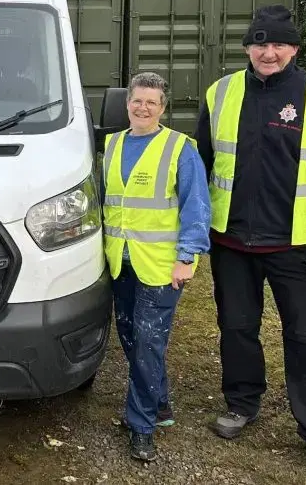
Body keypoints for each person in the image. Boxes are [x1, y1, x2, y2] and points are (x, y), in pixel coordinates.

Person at [195, 5, 306, 481]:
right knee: (236, 328)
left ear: (294, 48)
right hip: (232, 243)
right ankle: (242, 403)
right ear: (248, 47)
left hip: (300, 249)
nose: (268, 53)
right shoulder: (221, 93)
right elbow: (199, 167)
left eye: (279, 44)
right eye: (259, 43)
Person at [101, 71, 212, 462]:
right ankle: (160, 404)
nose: (143, 107)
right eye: (137, 100)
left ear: (163, 108)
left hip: (163, 266)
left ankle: (142, 424)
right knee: (131, 338)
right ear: (126, 104)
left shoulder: (180, 148)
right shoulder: (111, 145)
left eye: (152, 102)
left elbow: (196, 204)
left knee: (149, 343)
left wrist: (188, 256)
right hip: (119, 262)